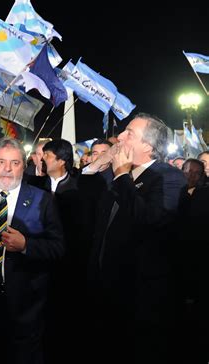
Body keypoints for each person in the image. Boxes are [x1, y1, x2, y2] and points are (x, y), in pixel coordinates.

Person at [86, 113, 187, 364]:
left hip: (138, 295)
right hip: (102, 285)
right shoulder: (113, 174)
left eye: (129, 133)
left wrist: (122, 177)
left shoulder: (168, 177)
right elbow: (82, 195)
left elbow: (149, 219)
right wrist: (102, 163)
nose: (119, 136)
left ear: (148, 146)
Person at [0, 137, 64, 364]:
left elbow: (58, 247)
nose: (7, 169)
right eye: (1, 162)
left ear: (24, 164)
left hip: (25, 308)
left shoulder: (42, 200)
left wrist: (27, 245)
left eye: (15, 163)